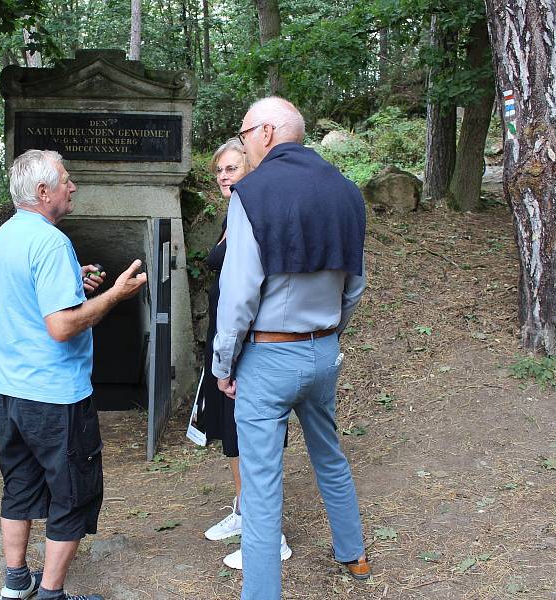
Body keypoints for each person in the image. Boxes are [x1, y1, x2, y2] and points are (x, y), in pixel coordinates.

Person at [212, 97, 370, 599]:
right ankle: (354, 553)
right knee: (329, 454)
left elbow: (239, 293)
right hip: (323, 353)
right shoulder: (347, 192)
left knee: (261, 487)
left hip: (267, 358)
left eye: (243, 134)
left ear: (264, 132)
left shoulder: (250, 194)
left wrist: (224, 361)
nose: (243, 144)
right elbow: (355, 283)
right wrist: (331, 333)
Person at [0, 149, 147, 600]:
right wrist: (115, 295)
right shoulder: (51, 241)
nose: (72, 187)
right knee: (73, 493)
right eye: (65, 180)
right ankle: (52, 593)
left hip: (12, 393)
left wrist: (72, 280)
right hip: (56, 396)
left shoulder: (6, 236)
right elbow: (60, 325)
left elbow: (28, 296)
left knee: (19, 485)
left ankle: (15, 582)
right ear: (43, 192)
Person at [200, 138, 292, 569]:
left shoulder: (255, 213)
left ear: (251, 170)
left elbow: (249, 290)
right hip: (226, 341)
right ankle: (244, 511)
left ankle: (269, 537)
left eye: (232, 168)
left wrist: (234, 353)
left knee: (251, 438)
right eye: (219, 170)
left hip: (247, 344)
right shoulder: (230, 213)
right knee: (230, 435)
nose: (224, 176)